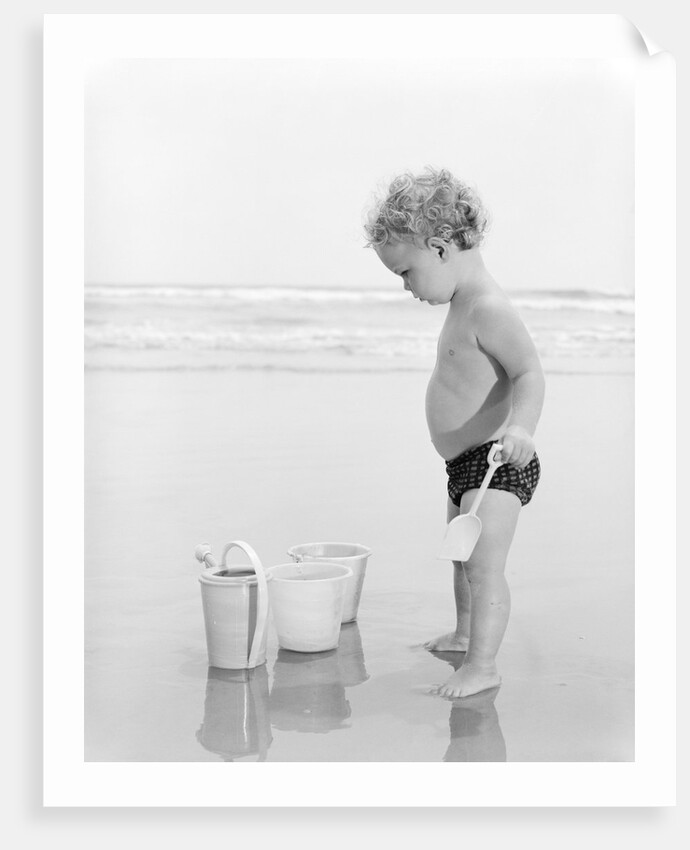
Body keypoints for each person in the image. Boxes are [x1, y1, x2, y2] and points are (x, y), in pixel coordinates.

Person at [365, 167, 545, 698]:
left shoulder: (487, 308)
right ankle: (468, 635)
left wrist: (522, 427)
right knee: (463, 559)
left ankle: (484, 664)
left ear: (441, 249)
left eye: (406, 272)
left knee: (485, 570)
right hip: (464, 466)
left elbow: (529, 372)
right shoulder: (462, 303)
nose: (405, 286)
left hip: (496, 463)